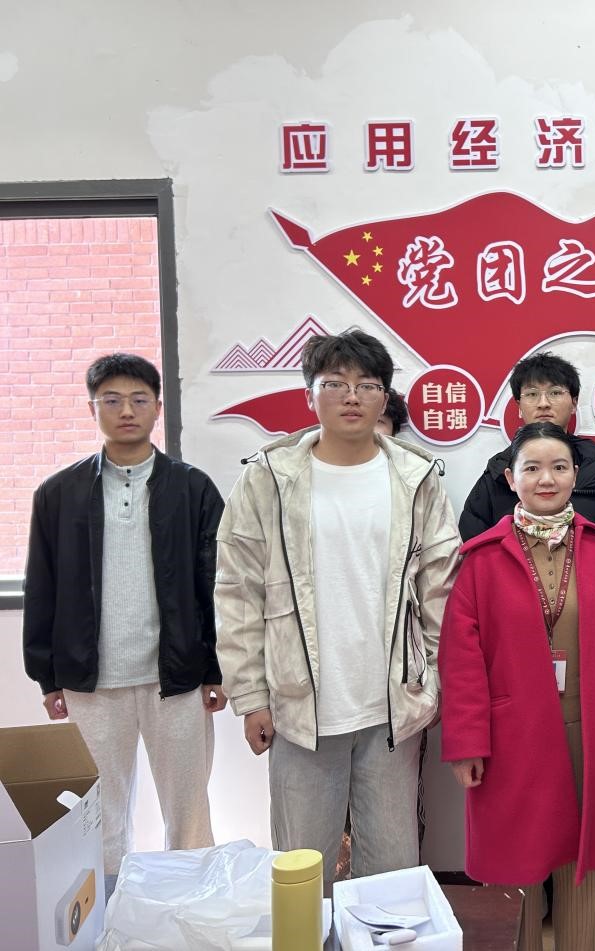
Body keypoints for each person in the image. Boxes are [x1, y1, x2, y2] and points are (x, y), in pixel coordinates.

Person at [215, 329, 460, 889]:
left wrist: (434, 682)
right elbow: (237, 591)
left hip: (392, 707)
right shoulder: (269, 478)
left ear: (384, 397)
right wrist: (250, 696)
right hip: (299, 707)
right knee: (302, 871)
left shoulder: (415, 478)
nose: (352, 396)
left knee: (391, 872)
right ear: (310, 395)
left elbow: (441, 591)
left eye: (366, 385)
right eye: (335, 384)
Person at [440, 422, 595, 951]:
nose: (546, 479)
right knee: (517, 869)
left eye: (559, 467)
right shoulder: (482, 559)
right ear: (511, 479)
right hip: (511, 734)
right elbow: (461, 660)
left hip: (590, 729)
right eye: (532, 468)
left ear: (575, 475)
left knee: (584, 866)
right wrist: (466, 743)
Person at [22, 353, 224, 880]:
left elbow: (215, 584)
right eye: (111, 400)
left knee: (188, 812)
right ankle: (107, 912)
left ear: (158, 407)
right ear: (92, 408)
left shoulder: (193, 489)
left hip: (176, 677)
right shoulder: (58, 494)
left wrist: (217, 669)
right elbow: (42, 587)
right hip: (91, 680)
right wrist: (47, 676)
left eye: (138, 399)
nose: (126, 411)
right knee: (99, 815)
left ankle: (190, 907)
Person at [459, 351, 595, 545]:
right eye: (532, 394)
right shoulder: (497, 474)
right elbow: (475, 549)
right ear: (519, 406)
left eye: (555, 393)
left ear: (574, 403)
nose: (543, 404)